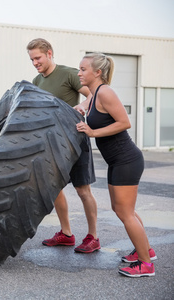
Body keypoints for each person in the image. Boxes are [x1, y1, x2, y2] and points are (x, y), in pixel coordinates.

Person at [76, 52, 156, 277]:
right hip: (117, 161)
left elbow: (124, 122)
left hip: (126, 159)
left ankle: (146, 263)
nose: (79, 73)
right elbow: (83, 106)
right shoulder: (94, 94)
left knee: (124, 212)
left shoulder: (106, 92)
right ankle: (145, 249)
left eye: (83, 69)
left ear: (97, 72)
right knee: (123, 210)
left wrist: (92, 132)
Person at [27, 38, 100, 253]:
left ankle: (93, 236)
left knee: (82, 190)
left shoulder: (69, 74)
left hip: (74, 138)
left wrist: (83, 105)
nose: (35, 63)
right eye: (31, 59)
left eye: (38, 58)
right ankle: (67, 234)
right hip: (51, 142)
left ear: (49, 53)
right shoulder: (36, 80)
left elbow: (94, 94)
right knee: (55, 189)